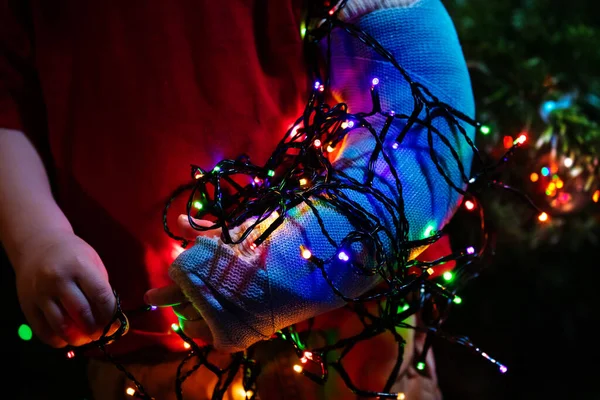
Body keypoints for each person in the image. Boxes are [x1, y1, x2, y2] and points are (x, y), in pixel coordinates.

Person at [0, 0, 474, 399]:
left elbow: (426, 133)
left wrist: (274, 271)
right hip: (143, 345)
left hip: (352, 334)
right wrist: (38, 237)